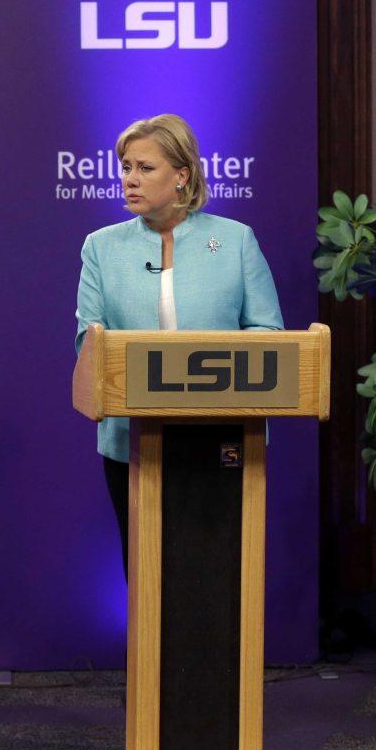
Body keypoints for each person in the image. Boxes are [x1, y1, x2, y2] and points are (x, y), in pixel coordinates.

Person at [74, 113, 283, 579]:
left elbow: (268, 335)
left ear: (182, 175)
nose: (130, 179)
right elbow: (88, 339)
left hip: (222, 433)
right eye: (126, 167)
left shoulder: (235, 241)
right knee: (147, 571)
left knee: (216, 575)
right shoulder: (101, 248)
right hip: (134, 438)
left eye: (145, 168)